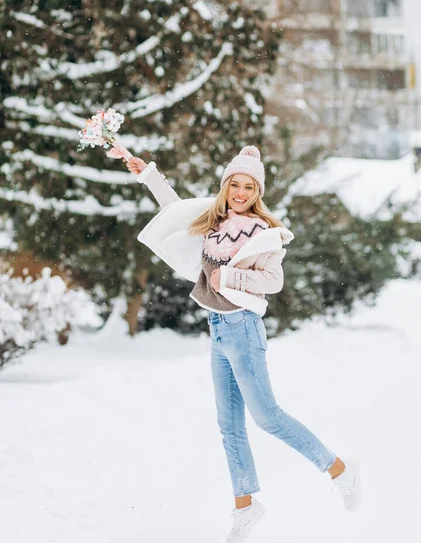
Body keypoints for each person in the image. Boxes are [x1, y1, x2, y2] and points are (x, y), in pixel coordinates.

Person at [125, 146, 362, 543]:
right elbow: (173, 208)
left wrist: (231, 280)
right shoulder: (211, 221)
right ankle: (245, 506)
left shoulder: (262, 230)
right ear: (225, 186)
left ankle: (340, 470)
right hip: (218, 328)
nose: (239, 192)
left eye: (248, 186)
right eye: (234, 184)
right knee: (229, 426)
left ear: (257, 191)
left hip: (244, 328)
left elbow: (273, 281)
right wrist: (147, 173)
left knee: (267, 417)